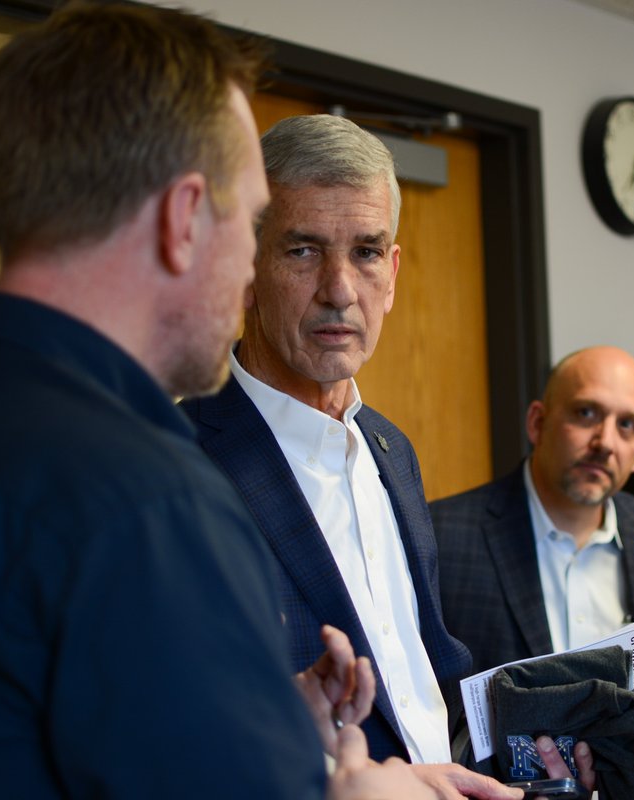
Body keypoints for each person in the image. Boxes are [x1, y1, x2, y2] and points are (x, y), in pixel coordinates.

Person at [0, 6, 433, 798]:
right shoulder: (153, 501)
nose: (249, 273)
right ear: (185, 219)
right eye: (249, 221)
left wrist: (262, 727)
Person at [180, 114, 574, 798]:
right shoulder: (179, 467)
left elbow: (426, 680)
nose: (339, 289)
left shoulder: (392, 451)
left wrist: (541, 750)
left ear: (391, 274)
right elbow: (172, 727)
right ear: (245, 266)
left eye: (365, 252)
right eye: (302, 250)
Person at [431, 346, 634, 730]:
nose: (605, 442)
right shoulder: (442, 536)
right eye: (586, 413)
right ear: (537, 422)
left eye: (627, 425)